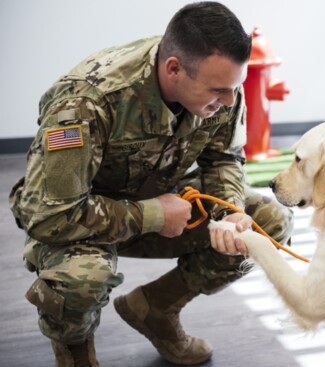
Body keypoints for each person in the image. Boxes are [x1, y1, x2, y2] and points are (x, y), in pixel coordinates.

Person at [9, 2, 293, 366]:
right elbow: (51, 214)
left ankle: (155, 310)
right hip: (76, 217)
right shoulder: (86, 101)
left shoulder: (221, 89)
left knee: (266, 226)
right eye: (218, 90)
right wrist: (152, 215)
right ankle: (76, 353)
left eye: (233, 88)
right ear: (173, 69)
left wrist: (229, 211)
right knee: (81, 279)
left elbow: (223, 158)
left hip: (161, 202)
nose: (227, 102)